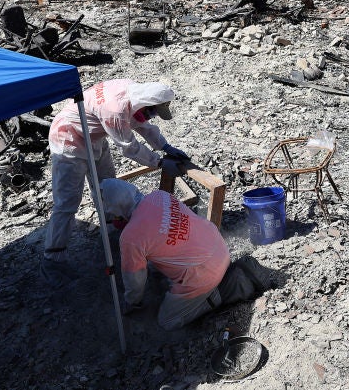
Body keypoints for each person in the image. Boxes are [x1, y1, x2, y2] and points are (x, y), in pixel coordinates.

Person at [42, 79, 189, 284]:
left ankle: (112, 230)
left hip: (93, 134)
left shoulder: (133, 94)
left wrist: (165, 146)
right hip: (68, 138)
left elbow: (144, 126)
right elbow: (129, 147)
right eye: (153, 112)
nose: (152, 116)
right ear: (146, 104)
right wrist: (160, 162)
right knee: (67, 202)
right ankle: (53, 258)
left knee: (108, 184)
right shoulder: (115, 110)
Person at [100, 179, 272, 330]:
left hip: (204, 273)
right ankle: (222, 278)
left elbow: (134, 280)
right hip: (218, 248)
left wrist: (132, 302)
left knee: (168, 321)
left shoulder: (131, 237)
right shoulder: (159, 196)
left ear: (116, 209)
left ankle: (231, 287)